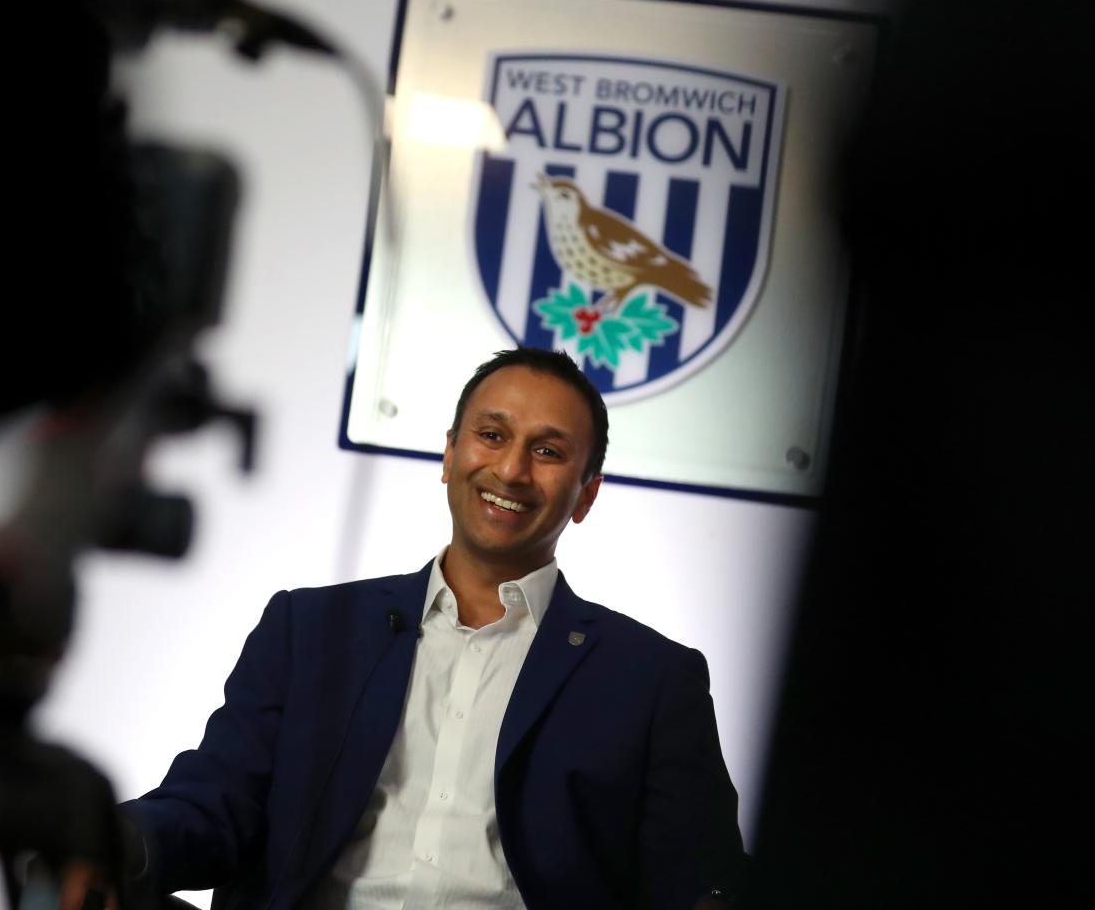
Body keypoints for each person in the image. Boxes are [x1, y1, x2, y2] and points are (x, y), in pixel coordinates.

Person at [94, 347, 745, 909]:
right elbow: (213, 806)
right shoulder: (310, 628)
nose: (513, 470)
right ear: (449, 454)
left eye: (547, 451)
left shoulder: (653, 678)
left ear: (586, 495)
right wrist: (107, 844)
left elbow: (697, 878)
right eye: (492, 435)